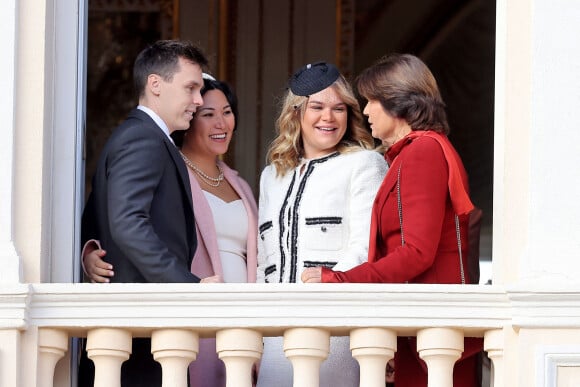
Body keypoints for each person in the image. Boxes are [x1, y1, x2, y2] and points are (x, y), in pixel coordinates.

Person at [301, 53, 482, 387]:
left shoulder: (423, 151)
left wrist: (341, 279)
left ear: (397, 103)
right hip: (418, 333)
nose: (366, 110)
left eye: (371, 101)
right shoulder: (411, 153)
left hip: (431, 338)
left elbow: (416, 252)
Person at [82, 75, 258, 387]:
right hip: (190, 310)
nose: (221, 123)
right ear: (190, 118)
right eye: (208, 114)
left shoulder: (240, 183)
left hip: (239, 320)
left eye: (227, 112)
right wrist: (90, 250)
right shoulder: (164, 163)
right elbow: (114, 213)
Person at [256, 62, 388, 386]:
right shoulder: (272, 176)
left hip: (335, 331)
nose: (328, 118)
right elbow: (264, 262)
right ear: (297, 113)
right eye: (317, 107)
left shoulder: (364, 164)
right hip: (274, 337)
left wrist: (317, 303)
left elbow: (363, 249)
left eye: (338, 108)